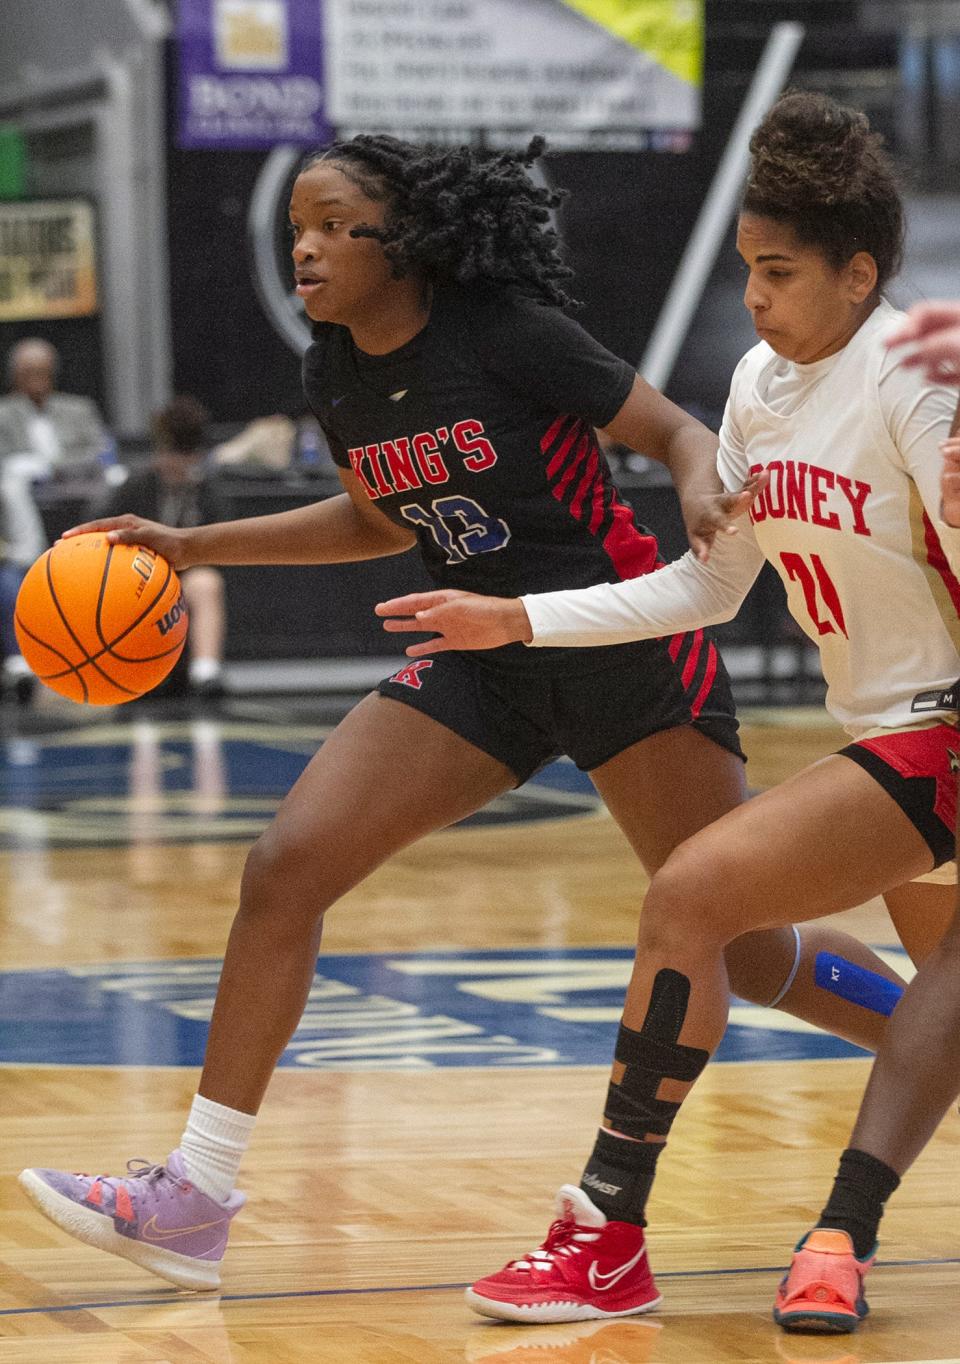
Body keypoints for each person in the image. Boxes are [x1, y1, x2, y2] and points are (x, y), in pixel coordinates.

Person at [16, 131, 910, 1297]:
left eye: (337, 225)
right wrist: (189, 545)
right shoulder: (335, 367)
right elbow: (379, 517)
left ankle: (929, 1038)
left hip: (615, 639)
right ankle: (194, 1193)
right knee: (286, 863)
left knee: (740, 945)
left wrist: (697, 478)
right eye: (298, 226)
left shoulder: (509, 336)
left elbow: (677, 431)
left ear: (411, 242)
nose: (308, 247)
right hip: (481, 651)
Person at [374, 95, 960, 1329]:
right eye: (748, 268)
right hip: (886, 719)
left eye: (782, 272)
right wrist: (519, 616)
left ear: (861, 276)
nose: (754, 296)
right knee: (944, 993)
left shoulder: (914, 375)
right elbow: (709, 583)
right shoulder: (759, 384)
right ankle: (839, 1237)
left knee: (693, 892)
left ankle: (608, 1228)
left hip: (944, 723)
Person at [99, 396, 230, 698]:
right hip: (138, 574)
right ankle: (141, 670)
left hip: (187, 574)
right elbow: (106, 532)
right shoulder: (135, 486)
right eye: (170, 455)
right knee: (138, 590)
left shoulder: (206, 489)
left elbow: (220, 540)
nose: (175, 465)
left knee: (207, 582)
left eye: (184, 457)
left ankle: (206, 672)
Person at [0, 338, 106, 474]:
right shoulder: (3, 414)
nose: (36, 379)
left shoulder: (79, 409)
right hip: (20, 482)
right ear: (15, 376)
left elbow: (99, 450)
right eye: (29, 373)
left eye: (42, 372)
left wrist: (56, 466)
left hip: (76, 477)